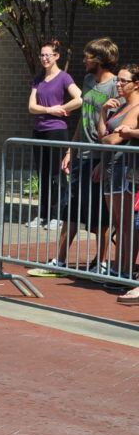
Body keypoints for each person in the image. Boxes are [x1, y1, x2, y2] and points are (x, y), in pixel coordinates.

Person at [32, 38, 120, 276]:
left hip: (100, 158)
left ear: (99, 60)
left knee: (99, 215)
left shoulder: (114, 86)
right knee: (70, 208)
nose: (83, 61)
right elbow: (84, 119)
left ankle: (100, 262)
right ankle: (59, 261)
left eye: (87, 57)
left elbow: (115, 126)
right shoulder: (89, 81)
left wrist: (104, 161)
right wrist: (71, 149)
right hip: (82, 154)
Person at [27, 40, 83, 230]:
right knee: (42, 173)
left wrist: (62, 109)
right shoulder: (38, 79)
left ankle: (57, 214)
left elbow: (79, 98)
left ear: (56, 56)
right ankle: (42, 215)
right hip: (39, 130)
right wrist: (50, 109)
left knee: (56, 174)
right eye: (42, 55)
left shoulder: (64, 77)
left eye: (48, 55)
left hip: (56, 131)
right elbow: (31, 107)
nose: (44, 59)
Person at [94, 63, 139, 282]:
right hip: (110, 168)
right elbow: (102, 135)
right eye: (117, 80)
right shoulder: (119, 106)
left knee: (126, 224)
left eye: (123, 81)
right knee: (118, 224)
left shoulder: (136, 107)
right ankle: (118, 269)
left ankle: (124, 271)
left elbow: (114, 139)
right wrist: (103, 112)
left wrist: (107, 139)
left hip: (125, 168)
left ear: (136, 84)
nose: (118, 85)